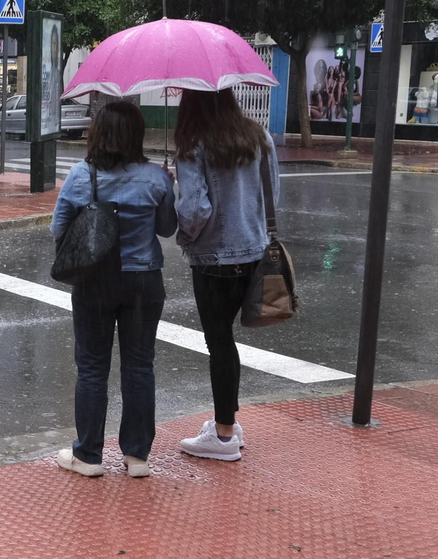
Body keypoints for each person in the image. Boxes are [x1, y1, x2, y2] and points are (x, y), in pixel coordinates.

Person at [51, 102, 176, 479]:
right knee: (140, 367)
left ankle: (88, 455)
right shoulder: (156, 178)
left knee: (91, 368)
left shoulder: (80, 176)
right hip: (143, 280)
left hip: (94, 281)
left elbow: (59, 229)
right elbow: (168, 229)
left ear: (98, 133)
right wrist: (167, 185)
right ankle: (137, 456)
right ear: (137, 136)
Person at [172, 88, 280, 462]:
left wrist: (184, 236)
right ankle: (227, 422)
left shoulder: (194, 144)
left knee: (219, 343)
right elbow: (272, 196)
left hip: (214, 260)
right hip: (255, 254)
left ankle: (223, 435)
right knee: (225, 345)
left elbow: (194, 209)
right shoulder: (260, 137)